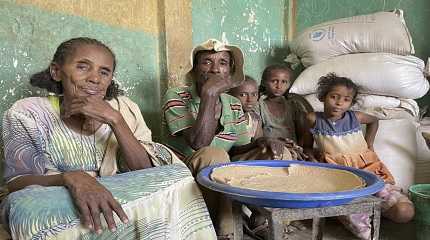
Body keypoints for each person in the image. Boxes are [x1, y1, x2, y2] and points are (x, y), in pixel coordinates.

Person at [1, 37, 216, 239]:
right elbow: (17, 183)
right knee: (21, 206)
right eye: (82, 66)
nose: (95, 78)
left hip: (116, 195)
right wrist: (72, 178)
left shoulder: (124, 109)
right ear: (57, 71)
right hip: (57, 199)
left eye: (104, 72)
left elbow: (146, 173)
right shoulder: (28, 112)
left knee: (179, 178)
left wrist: (115, 120)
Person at [163, 39, 286, 239]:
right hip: (184, 169)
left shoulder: (234, 104)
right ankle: (220, 232)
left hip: (221, 167)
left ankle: (258, 219)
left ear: (229, 72)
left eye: (222, 63)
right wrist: (209, 94)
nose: (215, 70)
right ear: (195, 71)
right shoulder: (176, 96)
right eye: (206, 62)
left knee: (275, 153)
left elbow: (237, 149)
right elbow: (198, 143)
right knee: (214, 156)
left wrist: (260, 143)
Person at [302, 73, 415, 239]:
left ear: (351, 103)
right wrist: (312, 157)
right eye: (334, 97)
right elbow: (306, 146)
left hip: (368, 171)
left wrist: (370, 144)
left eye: (346, 100)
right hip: (339, 177)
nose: (339, 103)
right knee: (366, 234)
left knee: (405, 212)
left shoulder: (355, 117)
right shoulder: (313, 119)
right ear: (323, 96)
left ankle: (377, 209)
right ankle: (353, 215)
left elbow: (374, 121)